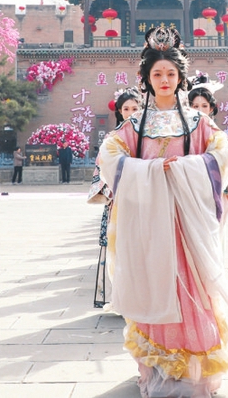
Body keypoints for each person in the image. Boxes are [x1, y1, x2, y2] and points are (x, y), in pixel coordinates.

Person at [97, 27, 228, 398]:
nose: (164, 80)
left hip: (187, 224)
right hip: (150, 225)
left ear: (181, 79)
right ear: (146, 79)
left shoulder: (197, 121)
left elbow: (223, 155)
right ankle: (158, 368)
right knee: (154, 285)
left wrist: (189, 167)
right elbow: (109, 156)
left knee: (194, 290)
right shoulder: (135, 125)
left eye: (170, 74)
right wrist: (149, 172)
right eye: (157, 74)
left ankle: (195, 374)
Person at [88, 87, 142, 309]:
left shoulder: (150, 135)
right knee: (120, 249)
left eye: (135, 108)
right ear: (119, 111)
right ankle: (123, 297)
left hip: (147, 198)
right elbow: (102, 168)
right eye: (126, 109)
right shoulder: (113, 137)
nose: (130, 112)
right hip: (120, 200)